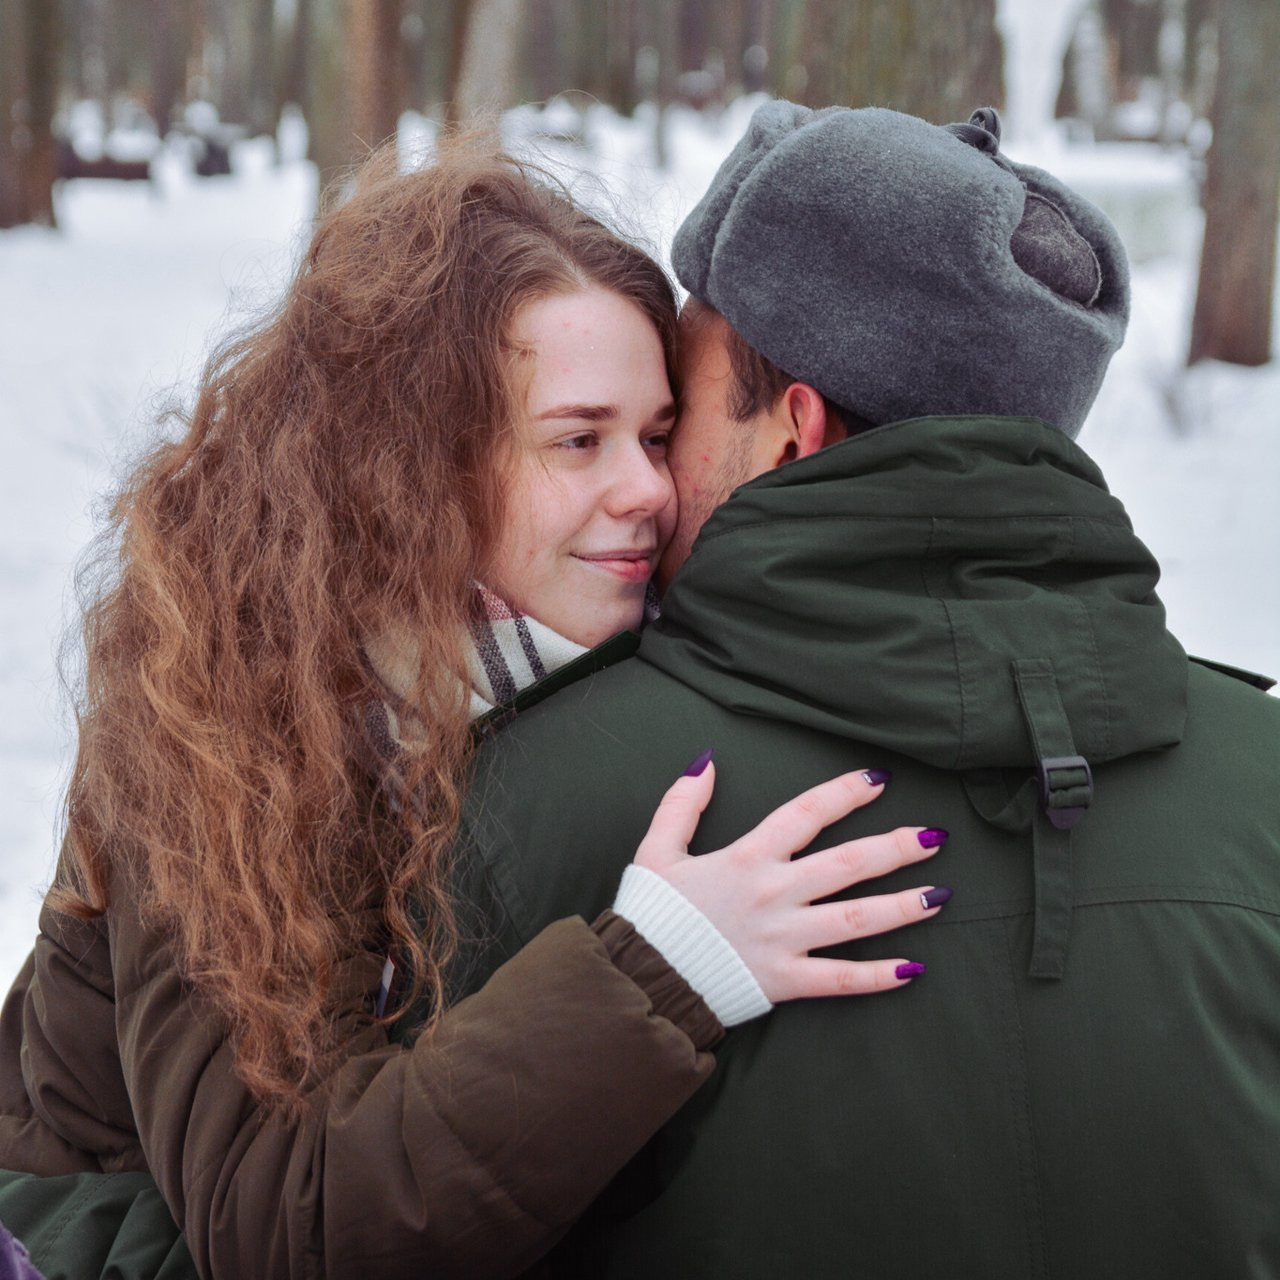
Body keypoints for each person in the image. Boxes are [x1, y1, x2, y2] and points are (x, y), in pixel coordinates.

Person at [0, 137, 946, 1279]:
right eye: (577, 439)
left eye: (655, 434)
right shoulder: (228, 709)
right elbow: (275, 1217)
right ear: (413, 467)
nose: (650, 487)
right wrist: (655, 972)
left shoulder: (592, 640)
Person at [439, 102, 1280, 1277]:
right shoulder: (1263, 793)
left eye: (676, 412)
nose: (648, 481)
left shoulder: (533, 804)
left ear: (793, 430)